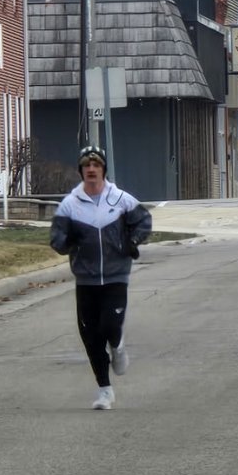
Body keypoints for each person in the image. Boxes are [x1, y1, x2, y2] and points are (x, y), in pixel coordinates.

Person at [50, 145, 153, 411]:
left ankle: (117, 346)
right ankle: (105, 391)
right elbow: (57, 238)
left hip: (116, 275)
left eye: (96, 166)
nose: (91, 170)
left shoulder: (120, 199)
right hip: (86, 278)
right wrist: (67, 241)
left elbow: (144, 221)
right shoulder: (70, 205)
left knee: (109, 326)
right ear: (81, 171)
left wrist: (132, 240)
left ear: (103, 170)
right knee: (91, 336)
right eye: (87, 166)